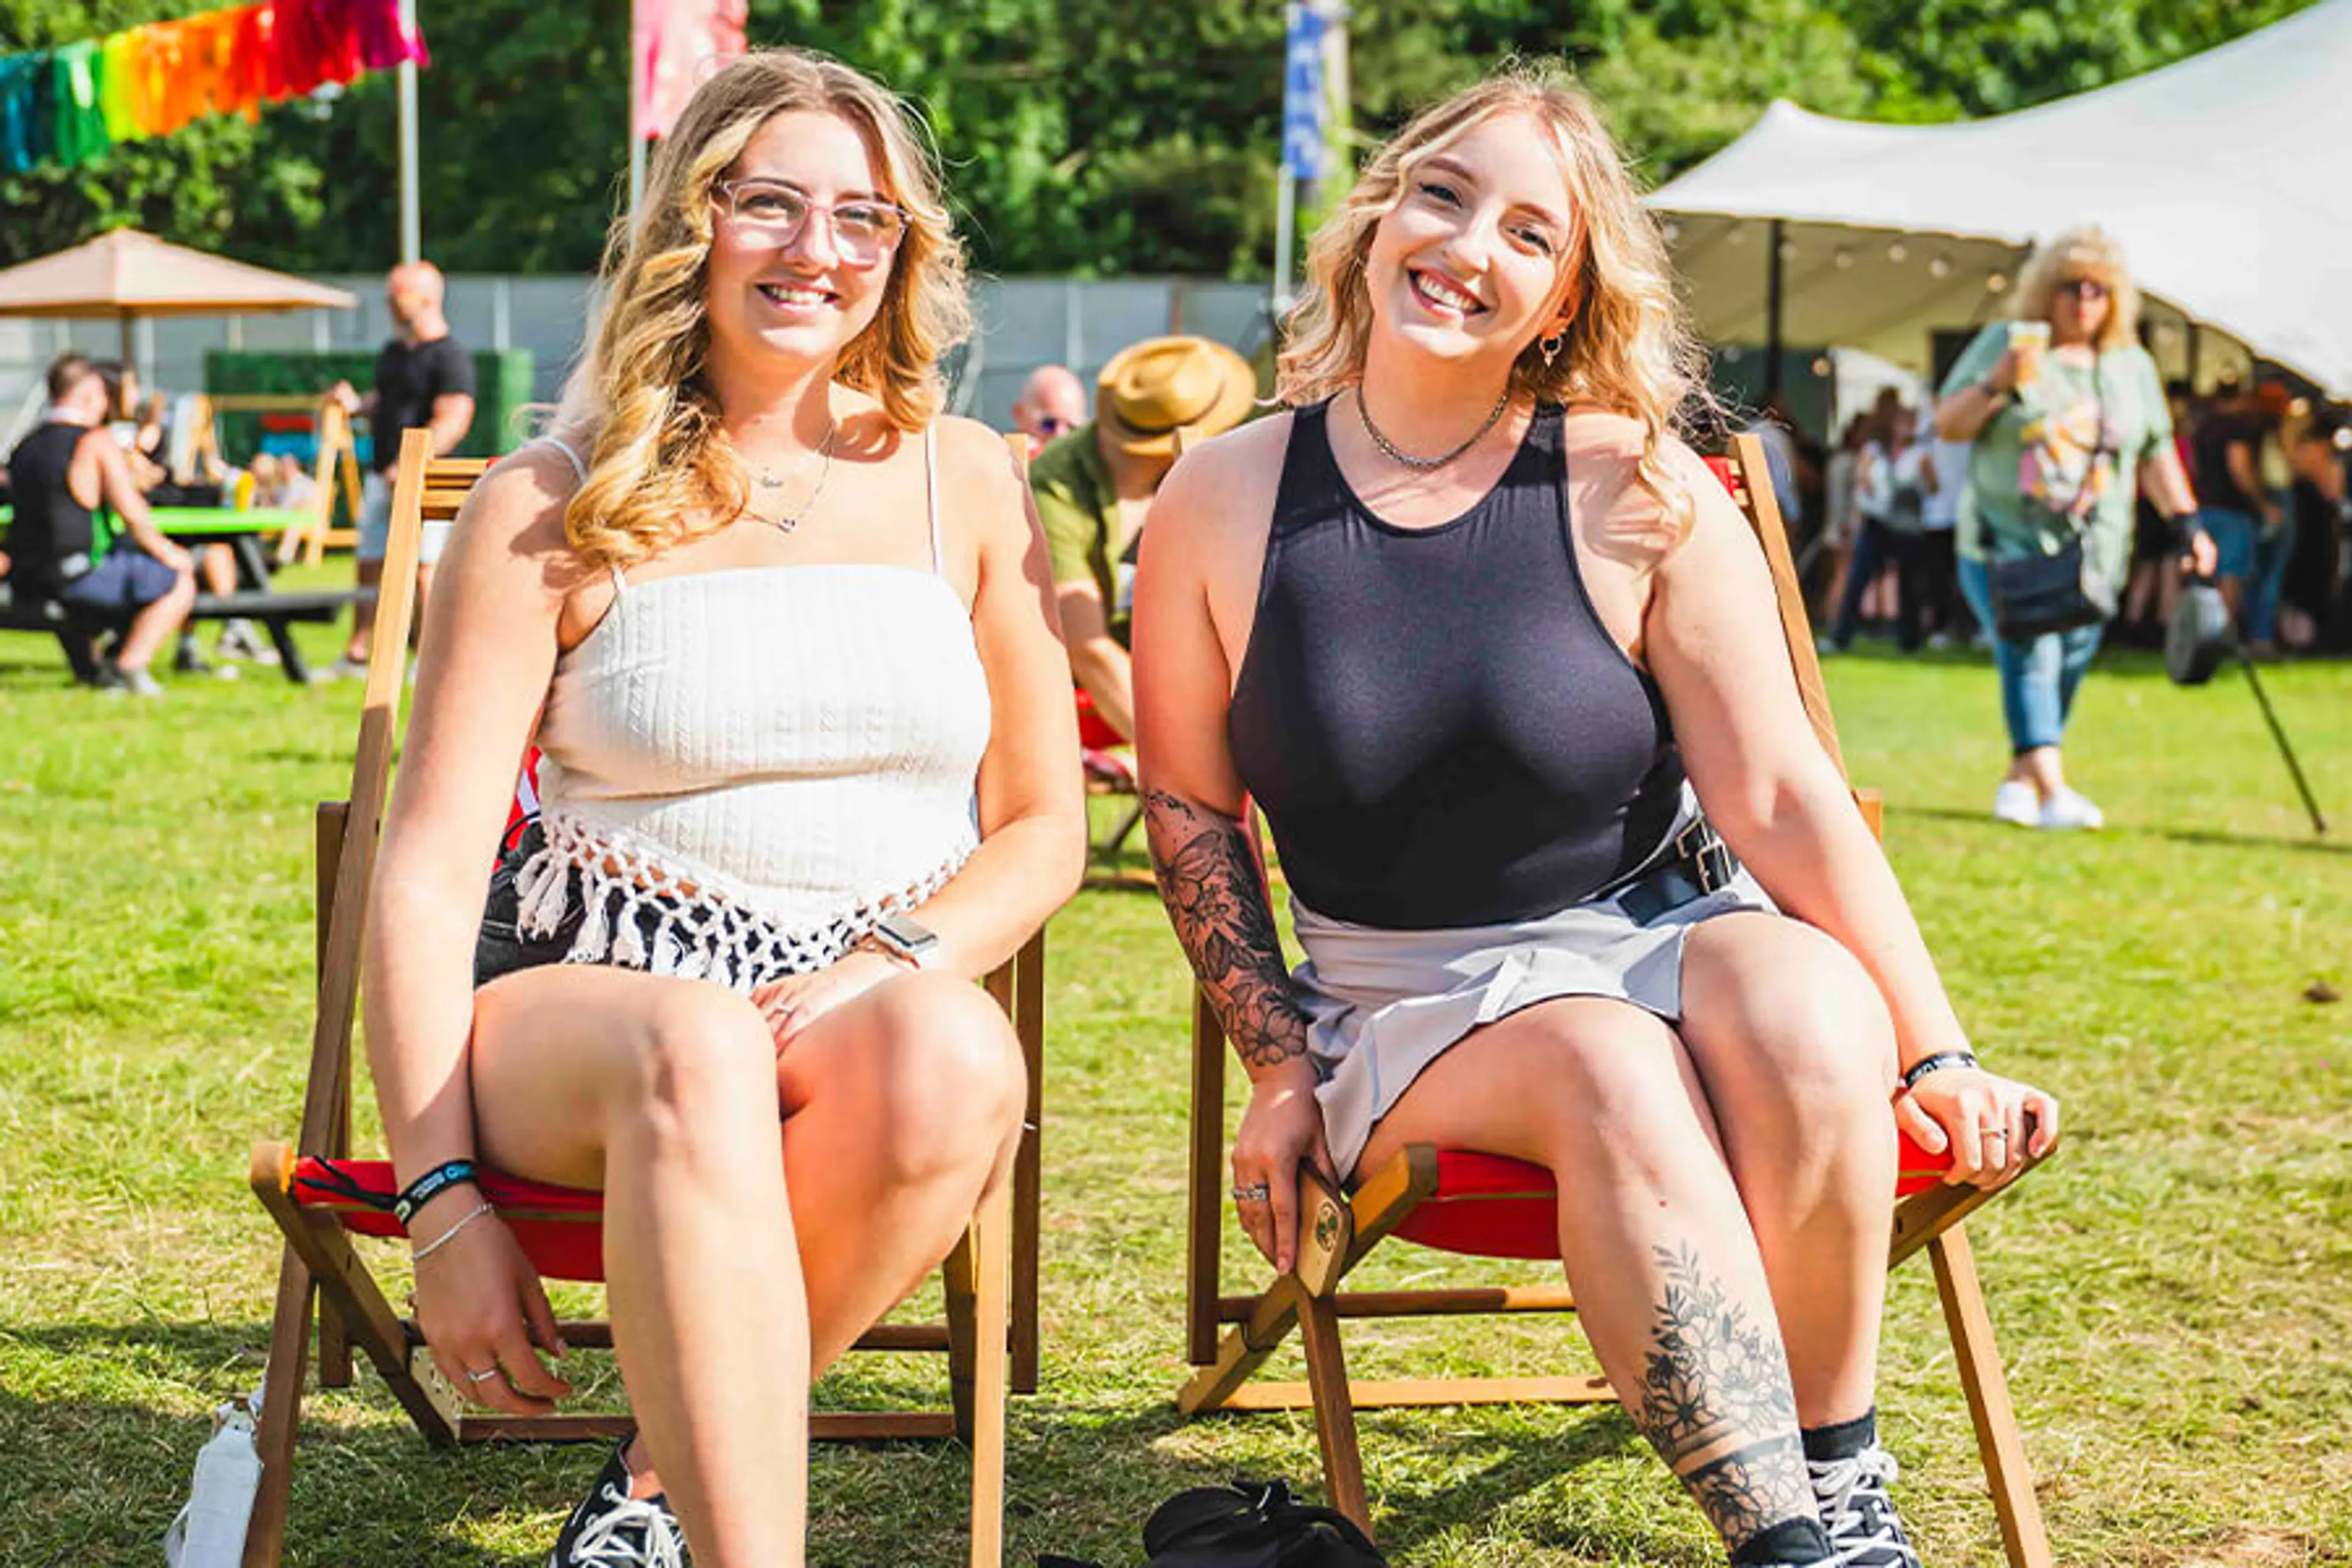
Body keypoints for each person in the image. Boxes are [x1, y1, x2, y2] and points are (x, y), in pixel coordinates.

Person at [1134, 64, 2057, 1568]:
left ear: (1564, 296)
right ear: (1373, 221)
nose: (1468, 248)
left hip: (1659, 927)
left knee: (1815, 1008)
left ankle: (1840, 1486)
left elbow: (1775, 794)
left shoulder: (1644, 487)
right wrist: (1273, 1058)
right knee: (1603, 1060)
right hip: (1408, 991)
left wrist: (1935, 1045)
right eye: (1441, 196)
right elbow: (1186, 804)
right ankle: (1788, 1548)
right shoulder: (1222, 495)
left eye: (1527, 232)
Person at [363, 49, 1082, 1568]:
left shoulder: (968, 480)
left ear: (903, 257)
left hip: (854, 998)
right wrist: (438, 1202)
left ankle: (644, 1499)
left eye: (862, 220)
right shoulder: (547, 502)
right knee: (694, 1036)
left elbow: (1040, 824)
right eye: (772, 206)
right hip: (578, 1014)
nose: (817, 251)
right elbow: (426, 873)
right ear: (695, 226)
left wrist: (888, 954)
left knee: (961, 1048)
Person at [1934, 226, 2213, 831]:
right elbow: (1949, 425)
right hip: (2003, 542)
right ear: (2045, 291)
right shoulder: (2006, 345)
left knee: (2071, 658)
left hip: (2098, 552)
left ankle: (2019, 780)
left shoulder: (2129, 365)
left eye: (2099, 290)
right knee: (2031, 650)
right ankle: (2056, 790)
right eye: (2071, 287)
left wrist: (2189, 524)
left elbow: (2157, 451)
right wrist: (1998, 383)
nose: (2084, 300)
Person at [1031, 334, 1253, 742]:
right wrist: (1181, 756)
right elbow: (1087, 647)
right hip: (1081, 697)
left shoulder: (1214, 477)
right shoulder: (1057, 484)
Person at [3, 352, 197, 695]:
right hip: (78, 575)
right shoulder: (94, 441)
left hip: (27, 576)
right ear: (92, 393)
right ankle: (130, 668)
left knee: (93, 583)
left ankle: (90, 669)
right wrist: (170, 554)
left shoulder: (24, 445)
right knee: (178, 580)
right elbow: (132, 513)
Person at [328, 258, 477, 678]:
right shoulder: (393, 352)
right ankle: (358, 654)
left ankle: (426, 660)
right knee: (369, 561)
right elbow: (383, 400)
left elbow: (453, 420)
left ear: (427, 297)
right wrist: (356, 405)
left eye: (398, 294)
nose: (390, 303)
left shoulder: (450, 357)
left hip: (427, 480)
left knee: (424, 568)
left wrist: (412, 465)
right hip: (381, 475)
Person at [1824, 403, 1931, 654]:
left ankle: (1909, 640)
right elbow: (1863, 478)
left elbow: (1931, 488)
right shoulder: (1875, 451)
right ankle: (1842, 635)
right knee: (1858, 578)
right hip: (1877, 521)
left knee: (1908, 584)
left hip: (1907, 525)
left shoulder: (1919, 453)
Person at [2187, 378, 2272, 620]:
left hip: (2204, 505)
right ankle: (2222, 635)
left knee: (2203, 574)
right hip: (2232, 509)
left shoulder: (2203, 427)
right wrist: (2261, 502)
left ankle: (2202, 631)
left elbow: (2194, 465)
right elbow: (2240, 469)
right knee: (2230, 575)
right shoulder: (2238, 428)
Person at [1009, 362, 1086, 453]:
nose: (1059, 435)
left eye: (1072, 428)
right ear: (1019, 413)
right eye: (1049, 424)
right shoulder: (998, 462)